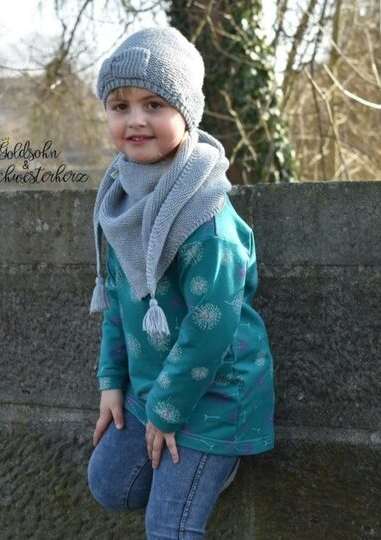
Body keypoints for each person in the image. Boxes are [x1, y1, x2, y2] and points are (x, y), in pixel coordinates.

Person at [87, 26, 275, 539]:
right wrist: (111, 381)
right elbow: (120, 300)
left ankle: (212, 464)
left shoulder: (207, 219)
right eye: (120, 106)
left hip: (214, 398)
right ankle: (193, 474)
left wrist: (167, 414)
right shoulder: (123, 201)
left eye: (154, 104)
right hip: (152, 386)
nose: (135, 119)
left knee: (168, 526)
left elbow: (210, 330)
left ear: (186, 113)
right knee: (108, 483)